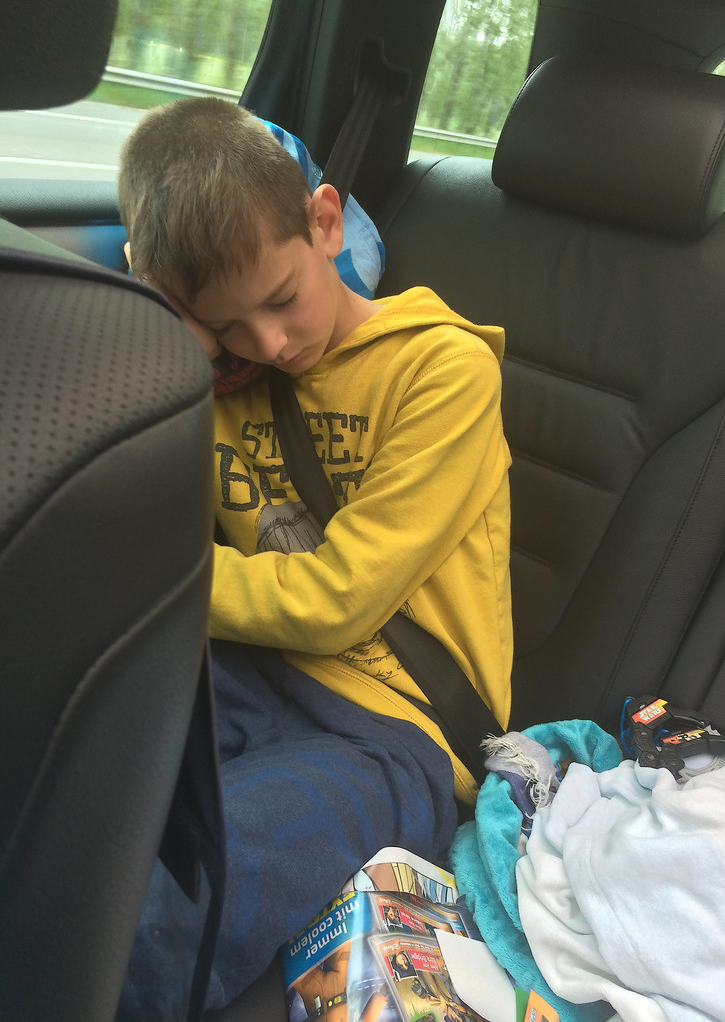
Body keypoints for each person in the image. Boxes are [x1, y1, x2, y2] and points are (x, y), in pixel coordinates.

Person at [116, 96, 512, 1018]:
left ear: (326, 222)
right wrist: (169, 340)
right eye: (224, 323)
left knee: (166, 900)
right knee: (65, 768)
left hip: (394, 729)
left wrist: (153, 585)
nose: (268, 344)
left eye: (282, 299)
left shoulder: (443, 372)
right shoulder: (219, 373)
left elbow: (338, 601)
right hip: (248, 667)